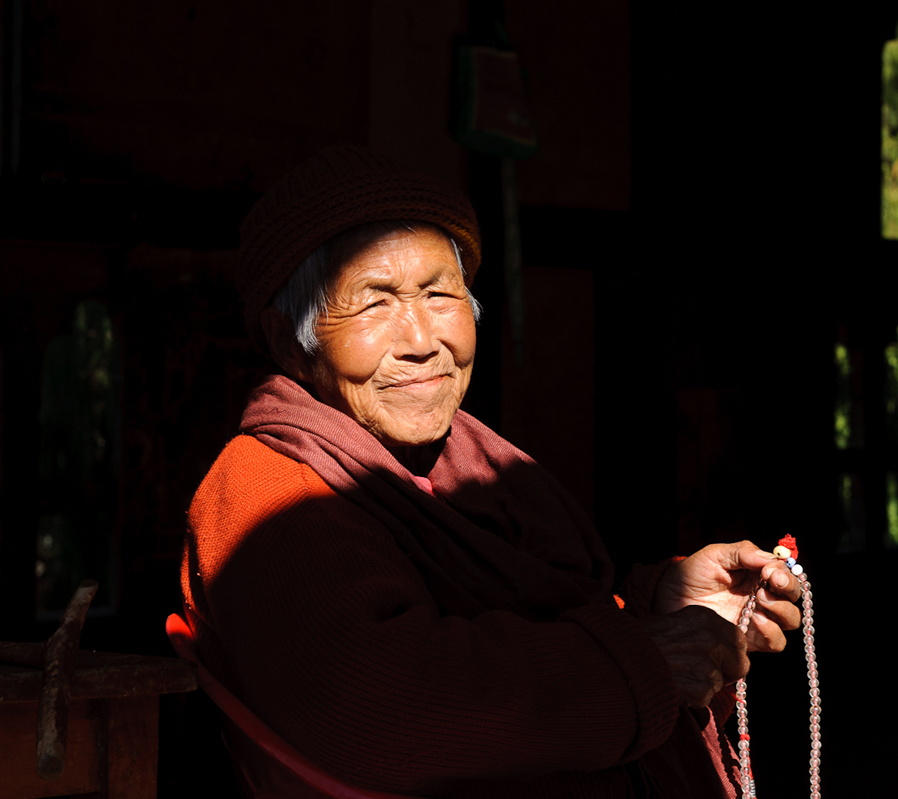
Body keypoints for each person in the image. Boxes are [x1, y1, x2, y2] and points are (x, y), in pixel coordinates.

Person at [181, 146, 802, 799]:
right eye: (375, 302)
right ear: (288, 340)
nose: (423, 338)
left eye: (439, 293)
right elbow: (385, 710)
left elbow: (534, 630)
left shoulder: (477, 465)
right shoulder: (264, 490)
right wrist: (638, 663)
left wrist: (666, 607)